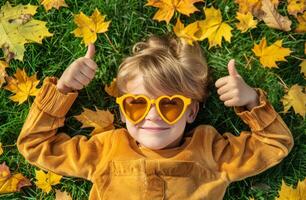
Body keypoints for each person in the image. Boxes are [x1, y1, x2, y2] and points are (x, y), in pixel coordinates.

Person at [17, 35, 294, 200]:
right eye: (137, 103)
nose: (152, 115)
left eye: (170, 104)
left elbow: (274, 144)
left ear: (191, 111)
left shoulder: (211, 151)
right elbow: (36, 144)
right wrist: (63, 90)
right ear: (123, 113)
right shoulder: (106, 149)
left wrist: (250, 102)